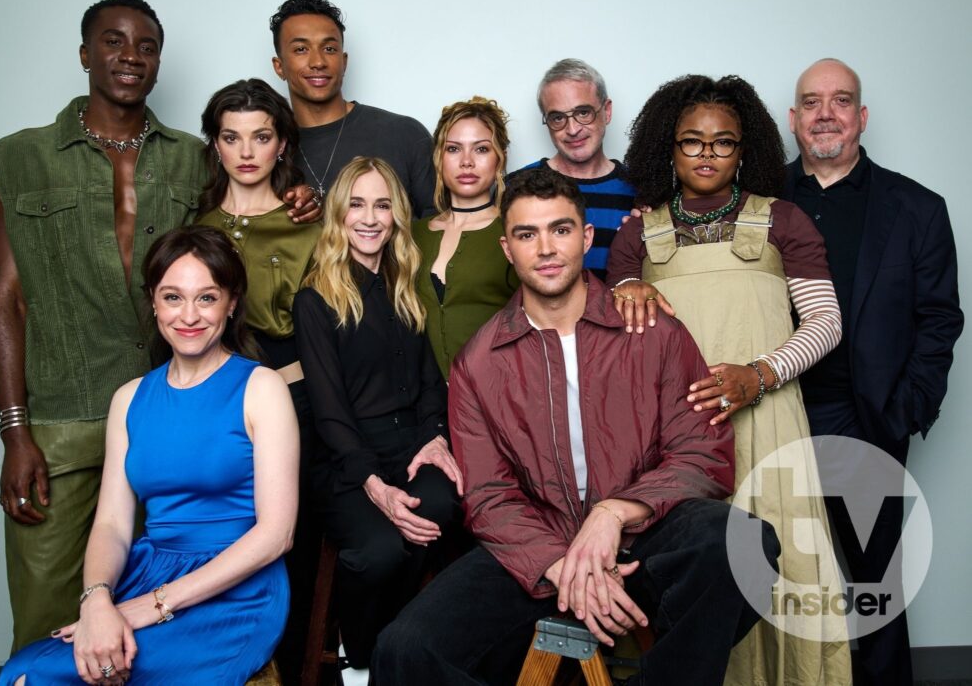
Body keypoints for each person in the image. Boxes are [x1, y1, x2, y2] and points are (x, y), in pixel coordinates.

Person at [372, 168, 779, 686]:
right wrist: (563, 566)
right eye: (527, 234)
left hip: (645, 535)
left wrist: (612, 514)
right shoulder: (478, 364)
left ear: (585, 238)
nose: (545, 248)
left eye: (560, 230)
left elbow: (703, 453)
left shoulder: (654, 332)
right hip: (536, 551)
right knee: (404, 650)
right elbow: (489, 494)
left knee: (746, 546)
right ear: (507, 249)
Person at [0, 0, 208, 651]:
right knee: (46, 618)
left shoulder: (195, 158)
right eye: (113, 41)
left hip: (164, 417)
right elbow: (6, 298)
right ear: (85, 54)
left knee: (153, 616)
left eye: (145, 46)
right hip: (61, 419)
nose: (130, 57)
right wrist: (15, 433)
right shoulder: (24, 157)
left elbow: (232, 254)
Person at [608, 75, 851, 685]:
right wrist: (623, 289)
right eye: (692, 142)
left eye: (723, 142)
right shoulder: (638, 234)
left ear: (746, 150)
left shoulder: (783, 221)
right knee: (703, 576)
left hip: (769, 424)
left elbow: (826, 323)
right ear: (669, 148)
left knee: (789, 569)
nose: (708, 154)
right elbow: (612, 343)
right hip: (675, 437)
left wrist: (761, 373)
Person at [0, 225, 299, 685]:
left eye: (207, 297)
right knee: (24, 672)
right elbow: (113, 525)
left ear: (231, 303)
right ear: (154, 302)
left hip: (237, 590)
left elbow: (276, 535)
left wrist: (155, 605)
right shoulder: (129, 399)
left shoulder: (261, 388)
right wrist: (97, 600)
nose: (189, 315)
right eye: (173, 297)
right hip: (147, 572)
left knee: (66, 677)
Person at [784, 58, 963, 686]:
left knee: (874, 583)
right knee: (768, 577)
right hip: (773, 414)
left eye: (840, 101)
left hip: (868, 418)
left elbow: (939, 318)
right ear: (793, 119)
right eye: (811, 102)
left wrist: (910, 406)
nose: (824, 113)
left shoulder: (917, 208)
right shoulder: (757, 203)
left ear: (861, 117)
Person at [294, 157, 461, 668]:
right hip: (347, 459)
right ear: (340, 214)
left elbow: (430, 378)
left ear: (395, 216)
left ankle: (402, 643)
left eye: (382, 205)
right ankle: (363, 654)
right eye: (357, 205)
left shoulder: (403, 283)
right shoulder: (316, 297)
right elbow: (329, 412)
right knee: (381, 551)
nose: (369, 218)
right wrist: (374, 485)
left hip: (410, 444)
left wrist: (435, 437)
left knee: (444, 509)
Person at [192, 77, 322, 680]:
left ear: (280, 143)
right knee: (215, 535)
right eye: (232, 137)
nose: (246, 151)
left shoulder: (308, 222)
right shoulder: (197, 221)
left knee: (285, 541)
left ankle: (288, 670)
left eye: (261, 137)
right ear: (215, 145)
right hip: (209, 400)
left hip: (291, 396)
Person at [270, 0, 436, 217]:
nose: (318, 62)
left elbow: (441, 226)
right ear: (279, 67)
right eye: (301, 49)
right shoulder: (264, 148)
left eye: (329, 49)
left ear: (344, 62)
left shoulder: (403, 134)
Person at [413, 96, 518, 378]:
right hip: (426, 406)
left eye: (481, 149)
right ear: (439, 157)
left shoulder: (516, 230)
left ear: (500, 157)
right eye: (454, 149)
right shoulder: (413, 233)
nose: (467, 162)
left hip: (498, 394)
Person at [509, 59, 636, 280]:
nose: (573, 129)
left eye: (583, 112)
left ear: (606, 111)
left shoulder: (640, 189)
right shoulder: (516, 186)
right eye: (557, 118)